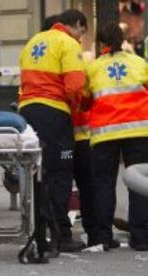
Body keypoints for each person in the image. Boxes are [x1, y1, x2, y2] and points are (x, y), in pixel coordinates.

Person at [19, 9, 88, 253]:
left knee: (40, 174)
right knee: (60, 173)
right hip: (54, 113)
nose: (81, 38)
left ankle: (41, 233)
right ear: (76, 25)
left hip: (27, 112)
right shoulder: (67, 43)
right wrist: (78, 107)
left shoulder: (33, 42)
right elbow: (75, 85)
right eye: (82, 31)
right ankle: (62, 234)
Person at [85, 22, 148, 251]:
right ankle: (141, 238)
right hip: (139, 131)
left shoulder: (93, 68)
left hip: (105, 133)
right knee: (139, 185)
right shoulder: (139, 63)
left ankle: (103, 237)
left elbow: (84, 99)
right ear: (122, 40)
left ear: (101, 42)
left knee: (103, 185)